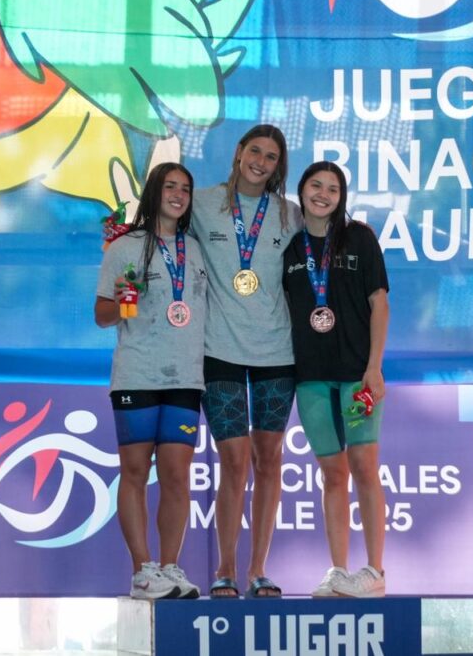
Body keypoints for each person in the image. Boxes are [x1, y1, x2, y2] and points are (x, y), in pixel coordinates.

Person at [190, 124, 303, 598]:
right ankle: (225, 568)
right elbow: (157, 231)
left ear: (279, 167)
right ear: (238, 153)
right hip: (219, 349)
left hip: (277, 351)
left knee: (269, 460)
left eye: (271, 157)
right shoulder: (201, 204)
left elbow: (327, 249)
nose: (261, 162)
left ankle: (258, 569)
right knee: (233, 462)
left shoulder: (290, 214)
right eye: (255, 151)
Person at [95, 162, 207, 600]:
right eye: (170, 186)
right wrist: (127, 299)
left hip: (186, 377)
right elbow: (103, 316)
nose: (178, 194)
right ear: (154, 192)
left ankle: (171, 567)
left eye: (186, 189)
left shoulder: (195, 249)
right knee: (136, 471)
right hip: (137, 374)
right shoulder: (124, 247)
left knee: (177, 475)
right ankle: (143, 571)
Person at [282, 161, 390, 598]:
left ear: (342, 197)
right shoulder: (290, 246)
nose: (323, 194)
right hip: (310, 377)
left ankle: (375, 571)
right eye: (316, 185)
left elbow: (379, 303)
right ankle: (338, 571)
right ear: (301, 190)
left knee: (363, 467)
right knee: (331, 474)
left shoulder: (360, 238)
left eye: (332, 188)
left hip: (357, 375)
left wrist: (374, 366)